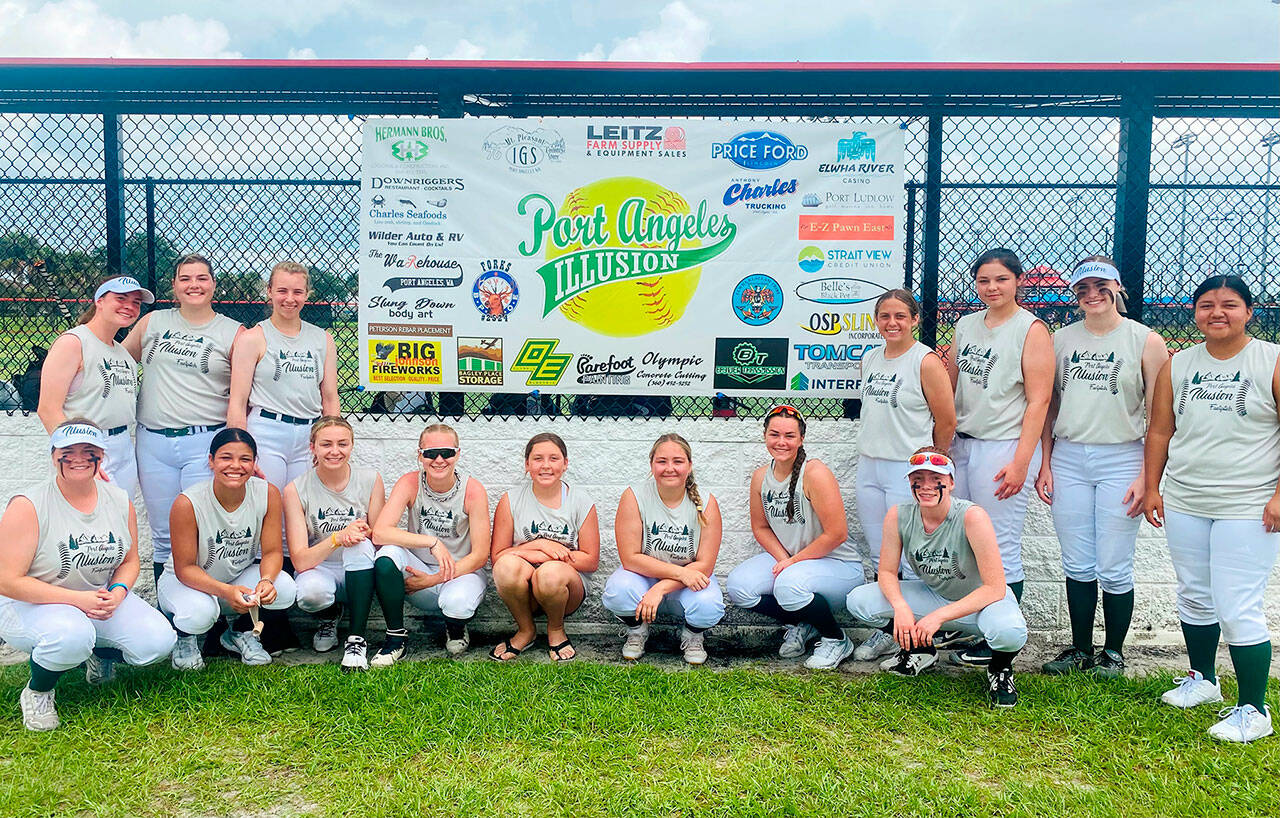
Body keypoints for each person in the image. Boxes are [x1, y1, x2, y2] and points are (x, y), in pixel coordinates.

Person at [1144, 274, 1279, 743]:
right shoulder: (1179, 365)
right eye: (1205, 305)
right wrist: (1152, 486)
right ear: (1194, 312)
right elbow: (1160, 430)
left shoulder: (1271, 360)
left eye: (1228, 305)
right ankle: (1204, 680)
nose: (1216, 313)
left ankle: (1254, 709)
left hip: (1248, 503)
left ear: (1249, 312)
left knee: (1236, 604)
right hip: (1186, 497)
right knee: (1195, 594)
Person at [1034, 257, 1168, 677]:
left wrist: (1148, 477)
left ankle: (1112, 653)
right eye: (1083, 288)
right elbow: (1049, 405)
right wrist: (1046, 463)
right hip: (1070, 455)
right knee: (1076, 561)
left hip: (1122, 455)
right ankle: (1079, 649)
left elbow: (1159, 415)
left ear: (1118, 287)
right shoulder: (1061, 340)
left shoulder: (1145, 340)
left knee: (1113, 562)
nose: (1092, 295)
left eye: (1101, 286)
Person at [0, 420, 176, 731]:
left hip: (95, 596)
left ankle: (98, 655)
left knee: (157, 641)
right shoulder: (29, 505)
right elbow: (7, 580)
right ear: (54, 456)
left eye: (89, 451)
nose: (79, 458)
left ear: (101, 456)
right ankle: (39, 690)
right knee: (71, 637)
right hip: (30, 604)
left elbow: (130, 561)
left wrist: (118, 592)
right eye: (68, 451)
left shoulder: (119, 500)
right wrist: (76, 599)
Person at [846, 447, 1028, 707]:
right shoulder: (899, 515)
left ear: (951, 482)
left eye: (935, 479)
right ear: (910, 482)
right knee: (859, 600)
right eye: (918, 479)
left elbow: (995, 588)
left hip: (980, 602)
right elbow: (886, 571)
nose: (926, 486)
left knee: (1010, 632)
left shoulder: (971, 516)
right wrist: (901, 608)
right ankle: (920, 650)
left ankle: (999, 669)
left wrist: (938, 617)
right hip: (935, 594)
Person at [944, 248, 1053, 665]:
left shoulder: (1031, 329)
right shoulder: (966, 324)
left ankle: (1002, 642)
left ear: (1018, 281)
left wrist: (1023, 461)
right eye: (984, 280)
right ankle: (975, 627)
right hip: (964, 443)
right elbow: (951, 383)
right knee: (967, 545)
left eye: (1001, 279)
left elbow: (1039, 399)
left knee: (999, 545)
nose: (992, 287)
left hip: (1003, 445)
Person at [228, 261, 338, 653]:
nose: (289, 299)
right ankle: (265, 625)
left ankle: (308, 614)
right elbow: (237, 400)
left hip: (308, 433)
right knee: (267, 524)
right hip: (268, 431)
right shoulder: (255, 338)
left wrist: (332, 441)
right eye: (282, 291)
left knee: (303, 524)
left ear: (308, 295)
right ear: (269, 292)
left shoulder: (322, 339)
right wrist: (242, 449)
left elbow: (329, 398)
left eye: (297, 291)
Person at [123, 254, 243, 580]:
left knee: (203, 531)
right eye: (186, 278)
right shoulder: (153, 322)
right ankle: (171, 619)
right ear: (174, 286)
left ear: (214, 284)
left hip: (204, 440)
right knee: (163, 536)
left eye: (202, 278)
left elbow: (243, 394)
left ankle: (211, 621)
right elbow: (118, 358)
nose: (194, 285)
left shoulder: (233, 332)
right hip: (154, 441)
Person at [852, 289, 956, 662]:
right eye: (884, 316)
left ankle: (918, 641)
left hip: (906, 469)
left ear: (915, 319)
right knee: (884, 555)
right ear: (876, 321)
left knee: (912, 557)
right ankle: (888, 632)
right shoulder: (871, 358)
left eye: (900, 316)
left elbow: (946, 420)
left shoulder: (925, 360)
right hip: (870, 464)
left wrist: (931, 465)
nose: (892, 323)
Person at [726, 405, 863, 669]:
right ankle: (805, 623)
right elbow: (761, 528)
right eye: (774, 434)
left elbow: (837, 533)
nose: (781, 442)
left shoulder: (814, 473)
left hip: (839, 566)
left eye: (789, 436)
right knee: (739, 586)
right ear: (764, 435)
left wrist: (792, 562)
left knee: (788, 585)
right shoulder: (759, 477)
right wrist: (783, 559)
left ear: (801, 439)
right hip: (794, 562)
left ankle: (836, 638)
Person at [157, 428, 297, 669]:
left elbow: (273, 551)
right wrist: (225, 592)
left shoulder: (268, 493)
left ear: (255, 463)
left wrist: (266, 580)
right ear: (211, 461)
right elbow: (184, 569)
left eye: (245, 459)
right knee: (198, 614)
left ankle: (238, 633)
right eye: (226, 458)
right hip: (185, 583)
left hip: (234, 578)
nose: (235, 466)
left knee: (284, 588)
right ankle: (185, 636)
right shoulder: (187, 503)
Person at [370, 424, 491, 664]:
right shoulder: (410, 483)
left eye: (446, 453)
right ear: (419, 455)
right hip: (419, 570)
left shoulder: (473, 490)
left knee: (456, 604)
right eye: (430, 453)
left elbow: (479, 555)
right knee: (386, 555)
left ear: (457, 454)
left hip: (460, 572)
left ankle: (455, 626)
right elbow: (380, 533)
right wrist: (431, 541)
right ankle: (395, 638)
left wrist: (434, 579)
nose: (438, 460)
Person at [602, 433, 725, 665]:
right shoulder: (634, 496)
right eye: (662, 461)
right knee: (618, 591)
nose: (670, 468)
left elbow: (705, 565)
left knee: (710, 606)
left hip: (685, 583)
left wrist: (660, 589)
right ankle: (637, 631)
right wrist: (677, 574)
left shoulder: (707, 503)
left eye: (678, 461)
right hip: (647, 577)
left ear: (689, 466)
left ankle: (693, 635)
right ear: (652, 465)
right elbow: (630, 559)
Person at [37, 276, 154, 499]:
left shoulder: (122, 352)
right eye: (120, 298)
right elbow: (48, 409)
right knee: (88, 522)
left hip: (122, 447)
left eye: (136, 302)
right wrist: (79, 453)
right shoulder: (74, 342)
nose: (129, 306)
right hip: (87, 443)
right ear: (99, 301)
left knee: (119, 520)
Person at [283, 417, 385, 671]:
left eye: (342, 443)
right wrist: (337, 537)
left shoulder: (370, 479)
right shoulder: (296, 489)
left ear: (352, 446)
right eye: (326, 444)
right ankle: (327, 616)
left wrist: (358, 534)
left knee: (360, 545)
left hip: (360, 566)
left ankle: (356, 639)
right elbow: (300, 559)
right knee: (310, 594)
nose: (335, 451)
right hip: (320, 566)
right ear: (313, 447)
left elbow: (380, 538)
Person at [490, 432, 600, 662]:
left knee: (549, 573)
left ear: (565, 463)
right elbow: (497, 556)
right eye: (538, 459)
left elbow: (590, 560)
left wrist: (550, 560)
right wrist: (540, 546)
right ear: (527, 464)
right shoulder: (510, 500)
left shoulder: (581, 501)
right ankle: (525, 630)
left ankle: (556, 630)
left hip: (565, 590)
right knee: (505, 567)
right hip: (526, 592)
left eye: (554, 458)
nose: (546, 466)